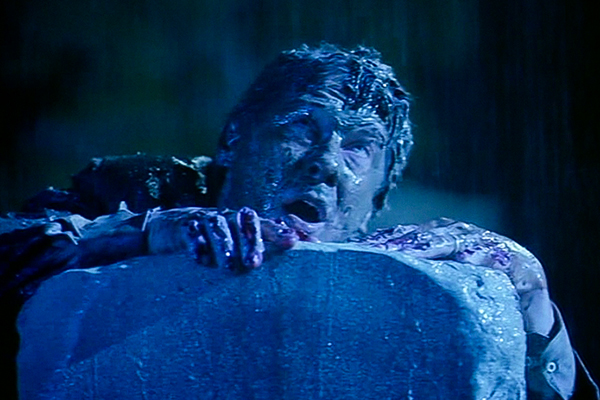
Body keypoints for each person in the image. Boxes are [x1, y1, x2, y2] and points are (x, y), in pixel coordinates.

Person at [1, 44, 598, 399]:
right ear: (234, 139)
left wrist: (532, 298)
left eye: (359, 147)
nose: (326, 162)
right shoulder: (142, 189)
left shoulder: (408, 262)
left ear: (380, 197)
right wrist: (142, 231)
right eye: (301, 128)